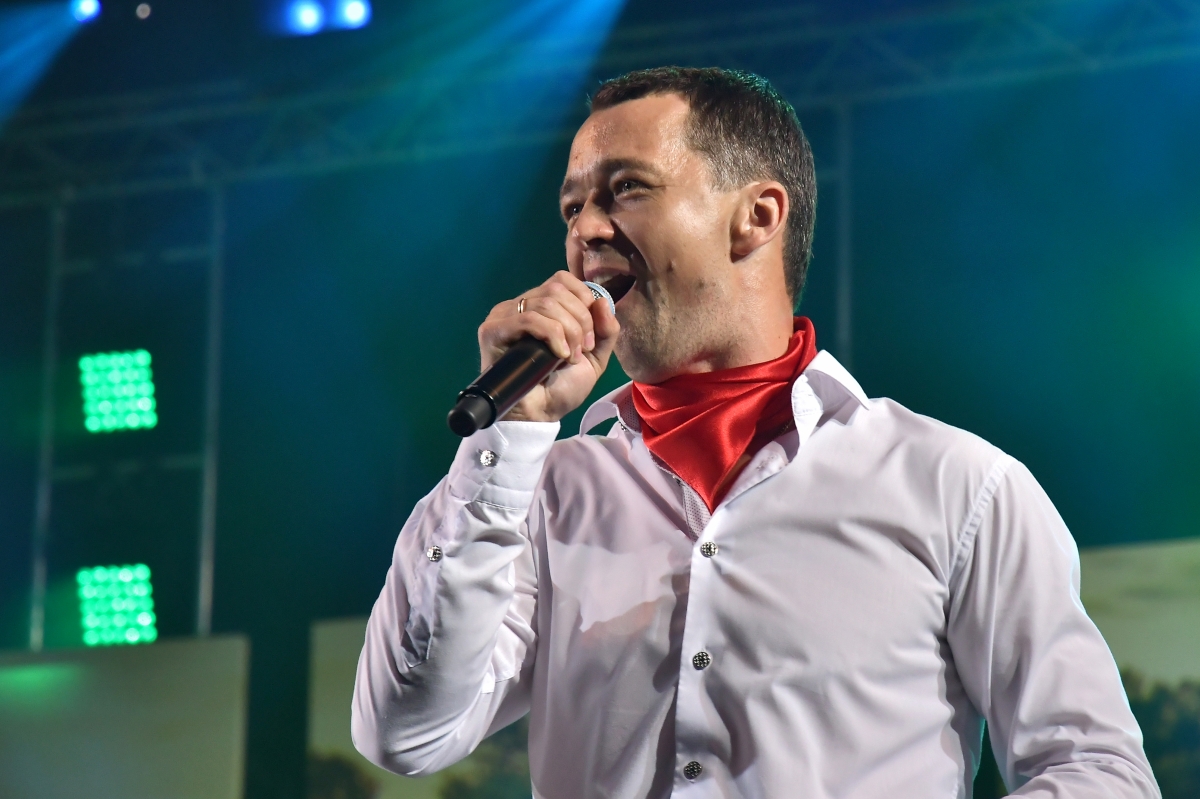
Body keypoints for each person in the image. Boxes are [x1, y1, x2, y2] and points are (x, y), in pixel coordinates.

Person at [352, 67, 1159, 798]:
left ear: (756, 218)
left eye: (625, 189)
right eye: (572, 206)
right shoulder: (539, 493)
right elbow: (403, 733)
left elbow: (1098, 769)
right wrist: (512, 434)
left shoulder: (954, 485)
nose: (585, 229)